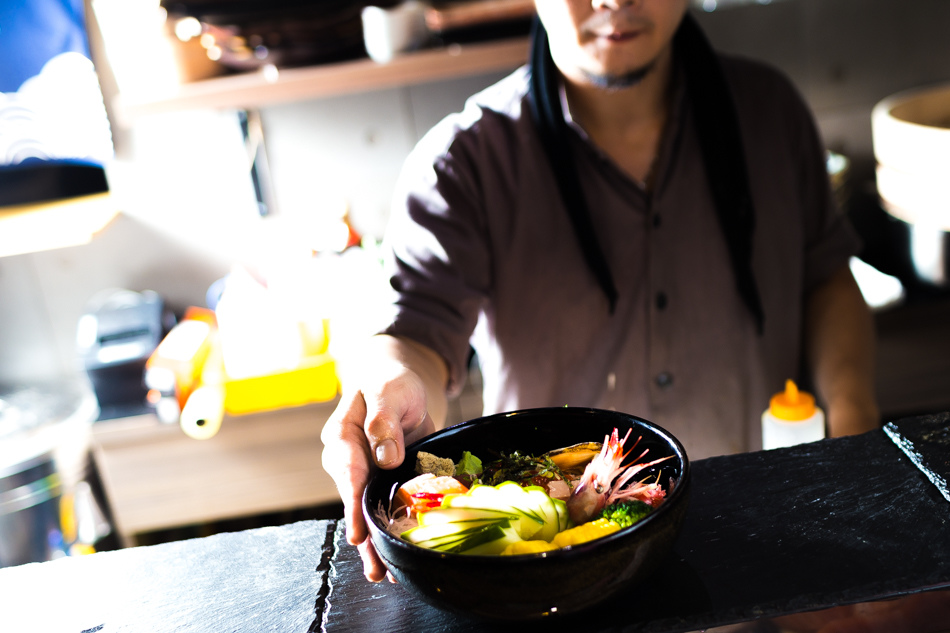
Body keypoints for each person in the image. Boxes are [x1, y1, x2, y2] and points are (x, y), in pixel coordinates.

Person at [321, 0, 879, 583]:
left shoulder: (771, 113)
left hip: (765, 548)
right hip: (560, 577)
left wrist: (856, 436)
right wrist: (387, 383)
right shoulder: (462, 162)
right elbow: (416, 330)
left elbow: (827, 278)